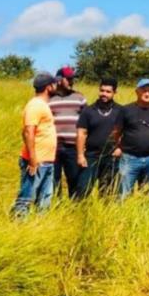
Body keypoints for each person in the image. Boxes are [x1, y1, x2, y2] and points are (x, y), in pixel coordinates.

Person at [11, 72, 58, 218]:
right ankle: (18, 223)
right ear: (48, 87)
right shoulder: (35, 105)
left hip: (47, 161)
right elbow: (27, 132)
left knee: (45, 197)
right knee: (27, 196)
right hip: (36, 161)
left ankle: (39, 225)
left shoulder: (42, 105)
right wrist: (32, 159)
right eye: (54, 84)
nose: (56, 86)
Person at [115, 78, 149, 198]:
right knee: (124, 193)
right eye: (144, 90)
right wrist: (120, 147)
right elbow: (117, 132)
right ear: (137, 92)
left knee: (148, 194)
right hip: (129, 159)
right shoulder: (126, 110)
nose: (147, 94)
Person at [75, 78, 122, 198]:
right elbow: (81, 133)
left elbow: (126, 132)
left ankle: (104, 214)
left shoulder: (121, 111)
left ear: (114, 92)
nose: (104, 94)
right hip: (91, 156)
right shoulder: (88, 111)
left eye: (108, 91)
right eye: (102, 91)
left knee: (109, 192)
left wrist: (121, 148)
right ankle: (80, 212)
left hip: (111, 157)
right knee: (83, 188)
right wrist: (80, 155)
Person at [49, 66, 86, 198]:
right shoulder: (49, 99)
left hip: (73, 147)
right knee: (54, 181)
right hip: (54, 147)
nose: (71, 81)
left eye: (72, 79)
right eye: (68, 79)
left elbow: (86, 122)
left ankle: (74, 209)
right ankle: (56, 208)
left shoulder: (79, 98)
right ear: (59, 80)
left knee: (75, 181)